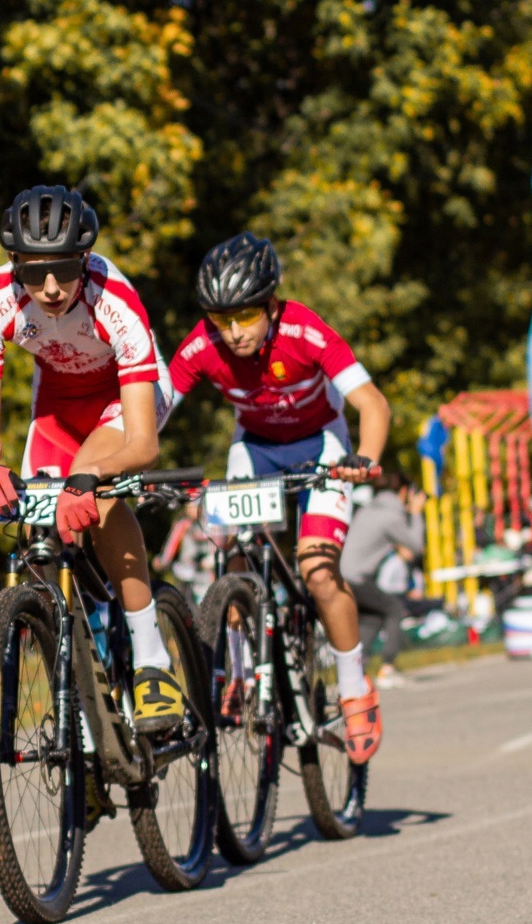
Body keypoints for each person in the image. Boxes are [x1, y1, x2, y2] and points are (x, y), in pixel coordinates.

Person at [0, 185, 186, 731]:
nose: (49, 287)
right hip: (59, 404)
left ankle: (152, 661)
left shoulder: (115, 300)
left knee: (98, 500)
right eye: (33, 271)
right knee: (38, 534)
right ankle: (88, 686)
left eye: (64, 269)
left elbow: (142, 445)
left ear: (84, 259)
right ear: (13, 262)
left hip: (127, 398)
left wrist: (90, 476)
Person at [168, 231, 394, 760]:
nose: (233, 332)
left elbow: (373, 403)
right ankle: (241, 670)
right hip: (257, 448)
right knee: (230, 552)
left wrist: (364, 457)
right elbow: (154, 408)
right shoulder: (202, 344)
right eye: (221, 319)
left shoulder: (305, 330)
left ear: (271, 304)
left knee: (317, 569)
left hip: (322, 445)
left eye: (245, 316)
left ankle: (354, 686)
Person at [341, 475, 425, 687]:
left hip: (345, 574)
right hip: (357, 576)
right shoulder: (391, 516)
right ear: (403, 491)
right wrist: (416, 513)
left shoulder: (368, 510)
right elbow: (415, 546)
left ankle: (356, 670)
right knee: (394, 609)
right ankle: (388, 668)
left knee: (373, 616)